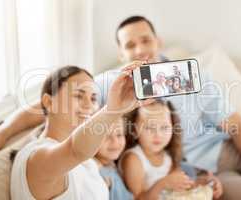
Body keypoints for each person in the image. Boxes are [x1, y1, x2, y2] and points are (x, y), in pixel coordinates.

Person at [0, 15, 241, 200]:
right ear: (121, 54)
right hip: (179, 167)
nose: (140, 49)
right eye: (130, 45)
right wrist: (5, 130)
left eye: (145, 40)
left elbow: (233, 120)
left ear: (157, 41)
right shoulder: (110, 85)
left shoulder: (190, 76)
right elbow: (49, 103)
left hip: (221, 149)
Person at [10, 63, 153, 200]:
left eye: (93, 98)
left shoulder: (88, 161)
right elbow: (74, 150)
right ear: (49, 102)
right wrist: (113, 110)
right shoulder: (36, 157)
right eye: (78, 95)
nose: (89, 105)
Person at [120, 100, 222, 200]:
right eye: (150, 128)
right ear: (134, 130)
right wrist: (163, 184)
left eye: (164, 127)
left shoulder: (168, 157)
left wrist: (203, 182)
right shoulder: (133, 159)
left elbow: (181, 186)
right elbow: (138, 198)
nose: (158, 135)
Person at [94, 116, 133, 200]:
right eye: (106, 136)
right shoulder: (101, 176)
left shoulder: (110, 164)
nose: (115, 141)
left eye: (119, 135)